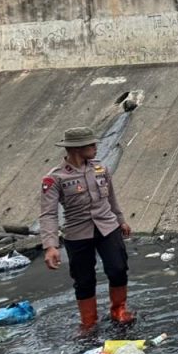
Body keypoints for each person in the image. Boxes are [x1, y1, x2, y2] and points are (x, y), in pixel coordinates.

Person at [40, 127, 133, 331]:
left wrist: (121, 220)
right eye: (91, 145)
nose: (95, 148)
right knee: (84, 279)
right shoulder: (54, 178)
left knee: (118, 268)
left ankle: (119, 309)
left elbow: (111, 198)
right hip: (77, 233)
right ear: (77, 148)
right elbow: (48, 214)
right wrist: (50, 246)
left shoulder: (101, 169)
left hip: (108, 227)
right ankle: (88, 321)